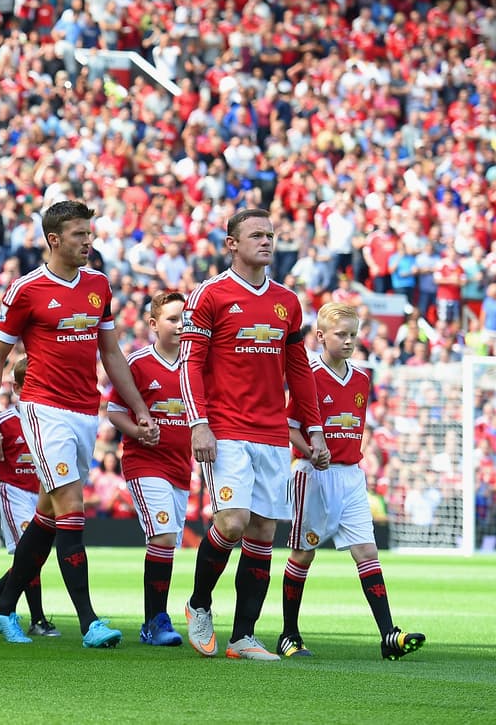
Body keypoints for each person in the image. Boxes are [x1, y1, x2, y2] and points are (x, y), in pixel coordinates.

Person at [0, 200, 153, 648]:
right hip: (44, 408)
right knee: (72, 507)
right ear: (54, 239)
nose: (88, 241)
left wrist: (138, 408)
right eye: (79, 234)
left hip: (84, 410)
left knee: (49, 515)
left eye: (89, 233)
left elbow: (111, 353)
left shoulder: (98, 285)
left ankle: (0, 606)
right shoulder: (26, 289)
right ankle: (90, 622)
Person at [179, 207, 327, 661]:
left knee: (263, 531)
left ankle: (243, 636)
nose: (266, 241)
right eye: (257, 235)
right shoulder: (209, 296)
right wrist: (198, 423)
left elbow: (299, 371)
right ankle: (199, 603)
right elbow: (190, 365)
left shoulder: (288, 301)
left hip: (271, 432)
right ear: (231, 244)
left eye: (271, 234)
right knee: (233, 522)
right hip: (225, 428)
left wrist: (314, 430)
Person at [278, 302, 426, 660]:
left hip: (351, 476)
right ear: (320, 336)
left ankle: (388, 634)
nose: (348, 341)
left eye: (353, 335)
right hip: (313, 476)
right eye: (340, 334)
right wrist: (312, 450)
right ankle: (289, 635)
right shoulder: (308, 374)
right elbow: (290, 427)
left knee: (367, 552)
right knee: (303, 553)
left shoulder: (361, 377)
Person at [106, 291, 193, 647]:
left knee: (166, 544)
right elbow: (114, 411)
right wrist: (138, 431)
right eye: (172, 319)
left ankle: (153, 621)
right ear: (154, 324)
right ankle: (156, 621)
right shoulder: (139, 363)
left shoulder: (195, 363)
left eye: (184, 319)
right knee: (163, 536)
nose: (180, 325)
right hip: (146, 462)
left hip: (181, 468)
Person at [0, 357, 58, 637]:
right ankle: (37, 620)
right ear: (17, 387)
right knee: (29, 551)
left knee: (32, 557)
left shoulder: (49, 420)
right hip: (15, 493)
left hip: (42, 494)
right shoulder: (3, 422)